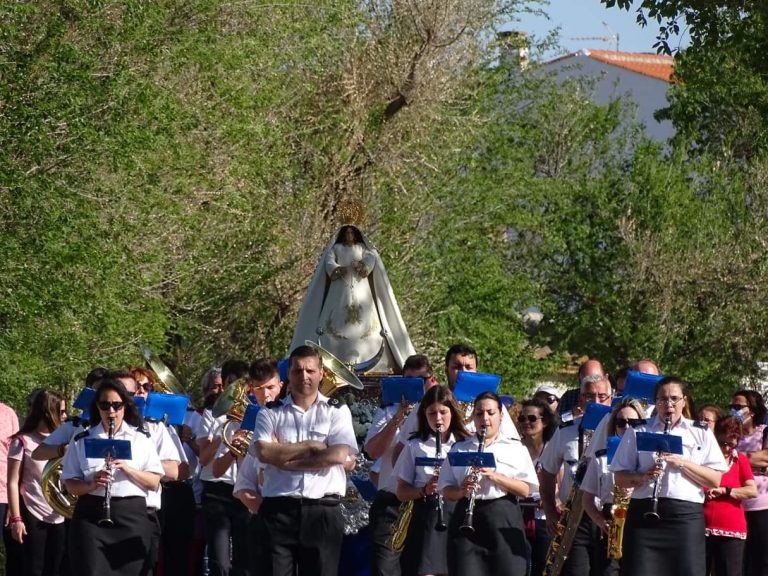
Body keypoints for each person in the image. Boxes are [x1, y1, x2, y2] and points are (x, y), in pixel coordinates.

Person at [252, 344, 358, 576]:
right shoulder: (270, 412)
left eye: (310, 371)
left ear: (321, 373)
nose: (304, 376)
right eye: (298, 371)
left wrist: (285, 459)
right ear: (288, 375)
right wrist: (311, 446)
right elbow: (263, 452)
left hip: (322, 512)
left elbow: (339, 454)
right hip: (278, 511)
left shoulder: (337, 411)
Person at [610, 376, 727, 576]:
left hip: (684, 517)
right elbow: (619, 478)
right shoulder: (639, 429)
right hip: (644, 515)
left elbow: (714, 479)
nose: (669, 405)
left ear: (684, 401)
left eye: (674, 399)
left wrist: (681, 462)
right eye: (663, 399)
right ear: (656, 402)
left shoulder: (700, 432)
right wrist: (642, 477)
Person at [62, 377, 164, 576]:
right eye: (104, 405)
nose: (111, 411)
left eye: (116, 405)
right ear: (97, 407)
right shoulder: (82, 438)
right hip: (91, 516)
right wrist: (91, 484)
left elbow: (153, 482)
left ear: (125, 406)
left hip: (131, 516)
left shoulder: (140, 439)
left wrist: (127, 469)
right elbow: (70, 483)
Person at [289, 224, 416, 372]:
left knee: (367, 324)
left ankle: (369, 357)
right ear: (343, 234)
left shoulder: (362, 247)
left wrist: (363, 266)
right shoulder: (336, 248)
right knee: (335, 323)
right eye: (347, 232)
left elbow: (371, 258)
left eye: (352, 232)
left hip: (361, 291)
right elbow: (329, 261)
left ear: (356, 234)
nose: (349, 235)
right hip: (339, 291)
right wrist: (336, 268)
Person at [439, 391, 538, 575]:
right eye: (479, 413)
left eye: (491, 413)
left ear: (501, 416)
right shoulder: (460, 448)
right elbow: (445, 489)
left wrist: (495, 476)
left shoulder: (516, 448)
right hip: (467, 520)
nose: (485, 418)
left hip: (502, 515)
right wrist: (461, 490)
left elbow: (525, 490)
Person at [539, 359, 613, 576]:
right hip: (575, 516)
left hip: (609, 515)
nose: (596, 402)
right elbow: (547, 473)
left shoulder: (621, 431)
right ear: (581, 399)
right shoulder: (566, 432)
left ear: (611, 399)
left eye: (602, 397)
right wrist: (550, 511)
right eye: (590, 397)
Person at [366, 354, 437, 576]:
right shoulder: (387, 411)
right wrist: (397, 418)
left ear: (431, 380)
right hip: (392, 501)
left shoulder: (439, 414)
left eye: (420, 381)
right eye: (408, 381)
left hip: (426, 501)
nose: (414, 386)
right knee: (385, 567)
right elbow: (372, 451)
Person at [393, 385, 469, 576]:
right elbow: (401, 491)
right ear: (424, 416)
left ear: (452, 412)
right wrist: (424, 490)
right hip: (427, 514)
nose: (438, 418)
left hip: (458, 513)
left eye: (443, 412)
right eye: (432, 413)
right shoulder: (415, 445)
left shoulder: (466, 445)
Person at [196, 359, 251, 576]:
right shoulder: (211, 415)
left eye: (240, 382)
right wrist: (223, 434)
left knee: (244, 560)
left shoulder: (253, 414)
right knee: (219, 562)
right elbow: (203, 458)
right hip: (216, 492)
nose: (235, 387)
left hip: (243, 490)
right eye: (230, 382)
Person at [580, 397, 645, 576]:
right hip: (612, 521)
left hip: (639, 518)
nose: (626, 427)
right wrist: (600, 521)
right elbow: (587, 498)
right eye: (621, 422)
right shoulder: (600, 458)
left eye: (633, 423)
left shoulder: (647, 458)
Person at [233, 357, 286, 576]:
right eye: (259, 389)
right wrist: (265, 512)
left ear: (281, 386)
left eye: (271, 387)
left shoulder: (294, 419)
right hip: (266, 518)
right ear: (252, 391)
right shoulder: (252, 426)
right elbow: (242, 487)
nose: (266, 395)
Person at [7, 389, 67, 576]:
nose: (65, 416)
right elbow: (12, 481)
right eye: (61, 411)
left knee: (57, 567)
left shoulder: (65, 441)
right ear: (48, 411)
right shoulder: (22, 441)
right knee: (34, 568)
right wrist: (16, 519)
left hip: (60, 513)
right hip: (32, 511)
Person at [703, 415, 756, 576]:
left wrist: (726, 491)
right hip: (701, 526)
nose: (726, 448)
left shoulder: (740, 460)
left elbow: (751, 490)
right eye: (722, 443)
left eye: (731, 444)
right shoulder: (704, 457)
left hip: (731, 528)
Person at [517, 398, 559, 576]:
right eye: (523, 419)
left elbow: (560, 484)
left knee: (542, 567)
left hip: (543, 518)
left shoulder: (552, 448)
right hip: (517, 516)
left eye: (532, 418)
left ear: (545, 421)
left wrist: (551, 499)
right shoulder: (514, 449)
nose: (527, 423)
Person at [732, 389, 768, 575]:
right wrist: (753, 463)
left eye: (738, 406)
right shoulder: (731, 435)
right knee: (740, 562)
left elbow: (765, 458)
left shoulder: (764, 432)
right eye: (731, 407)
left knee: (761, 560)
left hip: (761, 508)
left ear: (752, 410)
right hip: (735, 506)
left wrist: (735, 457)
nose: (733, 410)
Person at [1, 398, 21, 575]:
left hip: (3, 496)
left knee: (15, 557)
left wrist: (13, 508)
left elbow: (16, 461)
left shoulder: (8, 413)